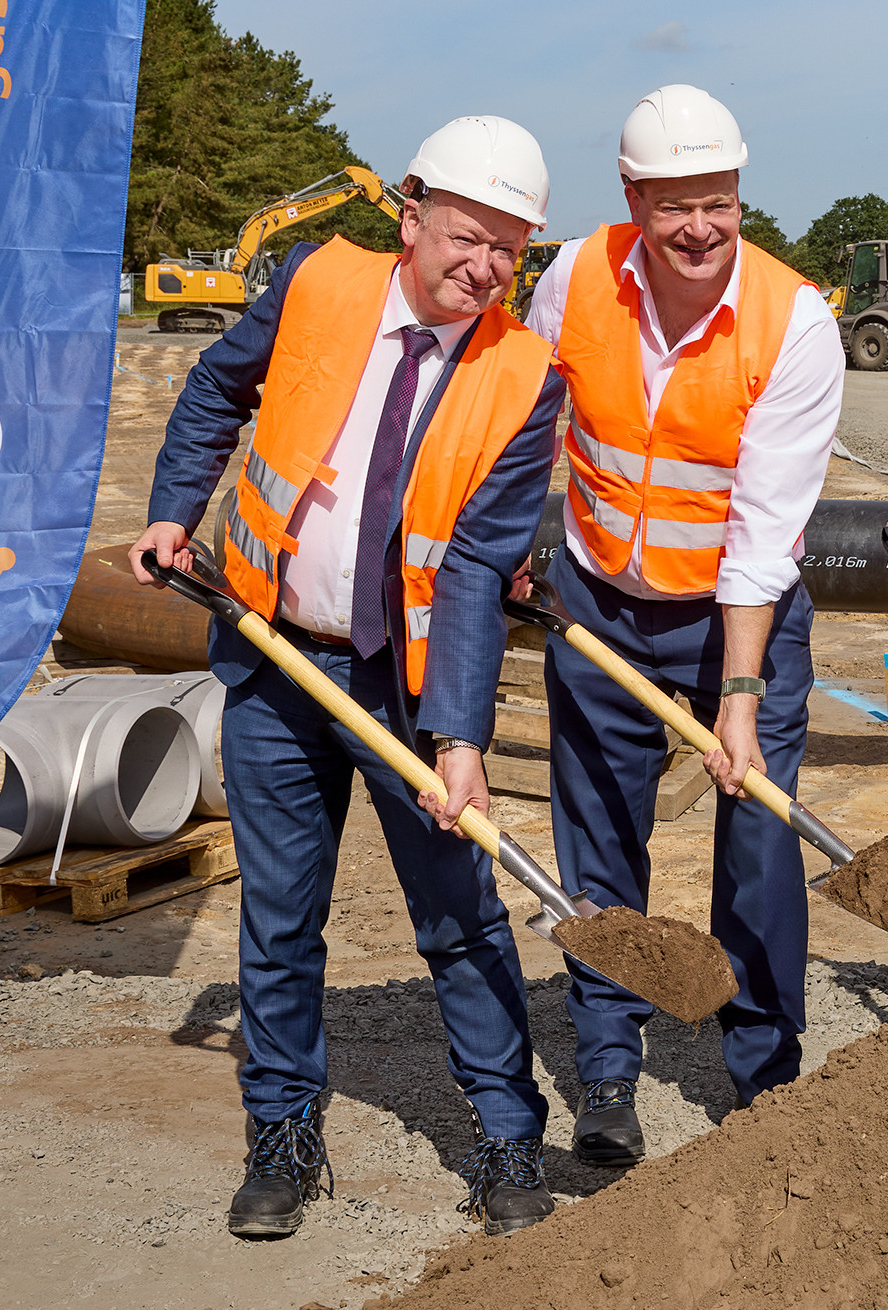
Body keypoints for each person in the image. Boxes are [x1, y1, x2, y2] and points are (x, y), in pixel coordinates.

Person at [131, 116, 565, 1239]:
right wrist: (175, 512)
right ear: (412, 213)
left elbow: (472, 562)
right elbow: (220, 390)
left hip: (408, 686)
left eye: (509, 251)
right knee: (281, 919)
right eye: (470, 236)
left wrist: (461, 737)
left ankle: (510, 1137)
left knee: (460, 915)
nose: (485, 267)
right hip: (275, 658)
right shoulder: (317, 279)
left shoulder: (524, 375)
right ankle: (282, 1133)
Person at [516, 86, 842, 1167]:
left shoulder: (792, 320)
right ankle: (608, 1064)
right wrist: (524, 549)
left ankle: (765, 1074)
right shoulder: (573, 278)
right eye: (676, 206)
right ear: (633, 198)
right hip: (602, 601)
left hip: (732, 618)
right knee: (602, 831)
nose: (701, 227)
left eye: (721, 201)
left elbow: (763, 529)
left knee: (756, 836)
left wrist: (739, 698)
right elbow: (524, 419)